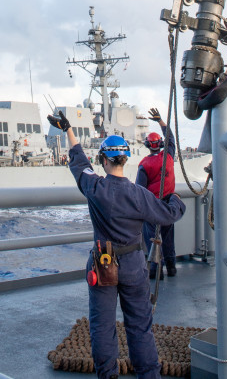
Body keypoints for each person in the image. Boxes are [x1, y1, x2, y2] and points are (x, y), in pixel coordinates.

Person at [47, 110, 186, 379]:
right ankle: (149, 375)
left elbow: (78, 163)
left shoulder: (94, 187)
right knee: (139, 326)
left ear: (103, 160)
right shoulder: (139, 194)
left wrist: (68, 129)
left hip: (103, 264)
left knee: (102, 326)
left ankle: (107, 375)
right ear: (126, 158)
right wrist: (176, 199)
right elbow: (168, 214)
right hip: (134, 265)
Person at [135, 108, 177, 279]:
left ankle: (155, 271)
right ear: (160, 144)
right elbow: (171, 139)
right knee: (168, 238)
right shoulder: (168, 156)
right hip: (168, 204)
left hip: (152, 206)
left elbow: (140, 189)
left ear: (146, 145)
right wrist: (161, 122)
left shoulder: (144, 164)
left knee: (152, 239)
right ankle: (172, 268)